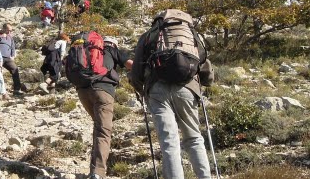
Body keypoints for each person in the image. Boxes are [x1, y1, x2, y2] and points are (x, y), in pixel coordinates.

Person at [129, 10, 214, 179]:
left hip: (157, 90)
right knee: (194, 138)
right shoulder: (192, 35)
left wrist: (142, 90)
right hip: (187, 89)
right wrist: (203, 83)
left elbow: (136, 71)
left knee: (169, 142)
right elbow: (206, 69)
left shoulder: (149, 36)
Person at [74, 34, 132, 179]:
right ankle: (98, 173)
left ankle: (94, 169)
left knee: (98, 127)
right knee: (103, 131)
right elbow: (130, 64)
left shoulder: (87, 49)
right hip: (103, 91)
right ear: (113, 44)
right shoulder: (112, 49)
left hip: (83, 91)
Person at [0, 23, 24, 95]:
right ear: (4, 29)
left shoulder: (10, 37)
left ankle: (17, 89)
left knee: (15, 69)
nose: (10, 32)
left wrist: (13, 55)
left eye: (11, 30)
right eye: (8, 30)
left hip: (8, 58)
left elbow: (12, 47)